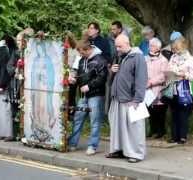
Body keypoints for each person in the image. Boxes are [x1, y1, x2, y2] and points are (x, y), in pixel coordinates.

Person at [106, 34, 148, 163]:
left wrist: (137, 99)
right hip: (118, 98)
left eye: (119, 46)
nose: (117, 49)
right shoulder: (119, 56)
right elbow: (113, 78)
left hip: (131, 99)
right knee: (118, 127)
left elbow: (141, 79)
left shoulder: (138, 57)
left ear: (127, 43)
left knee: (134, 128)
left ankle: (136, 154)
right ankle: (119, 150)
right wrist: (112, 71)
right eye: (116, 46)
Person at [68, 40, 108, 155]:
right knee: (77, 119)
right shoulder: (81, 60)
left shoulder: (100, 60)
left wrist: (89, 86)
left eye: (81, 52)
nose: (80, 55)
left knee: (94, 121)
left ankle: (92, 146)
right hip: (82, 95)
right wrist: (74, 80)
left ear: (88, 49)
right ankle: (73, 143)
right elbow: (80, 76)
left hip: (96, 95)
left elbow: (102, 78)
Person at [166, 37, 193, 144]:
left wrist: (184, 74)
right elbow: (168, 68)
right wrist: (172, 71)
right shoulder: (173, 57)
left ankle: (182, 136)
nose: (176, 51)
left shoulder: (190, 59)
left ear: (184, 47)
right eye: (174, 49)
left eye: (178, 49)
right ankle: (174, 136)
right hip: (173, 88)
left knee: (183, 114)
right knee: (174, 113)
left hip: (184, 89)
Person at [5, 31, 27, 141]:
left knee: (26, 111)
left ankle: (25, 134)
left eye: (20, 40)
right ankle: (14, 134)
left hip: (27, 86)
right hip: (15, 85)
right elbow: (9, 67)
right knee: (14, 111)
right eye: (17, 40)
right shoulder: (15, 52)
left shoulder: (31, 52)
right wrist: (16, 70)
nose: (18, 43)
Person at [145, 38, 169, 139]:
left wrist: (151, 82)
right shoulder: (145, 58)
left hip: (158, 88)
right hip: (147, 89)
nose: (150, 47)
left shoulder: (163, 60)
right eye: (150, 45)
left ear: (158, 47)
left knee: (159, 111)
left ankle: (161, 131)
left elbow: (163, 75)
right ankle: (152, 130)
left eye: (152, 45)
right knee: (149, 110)